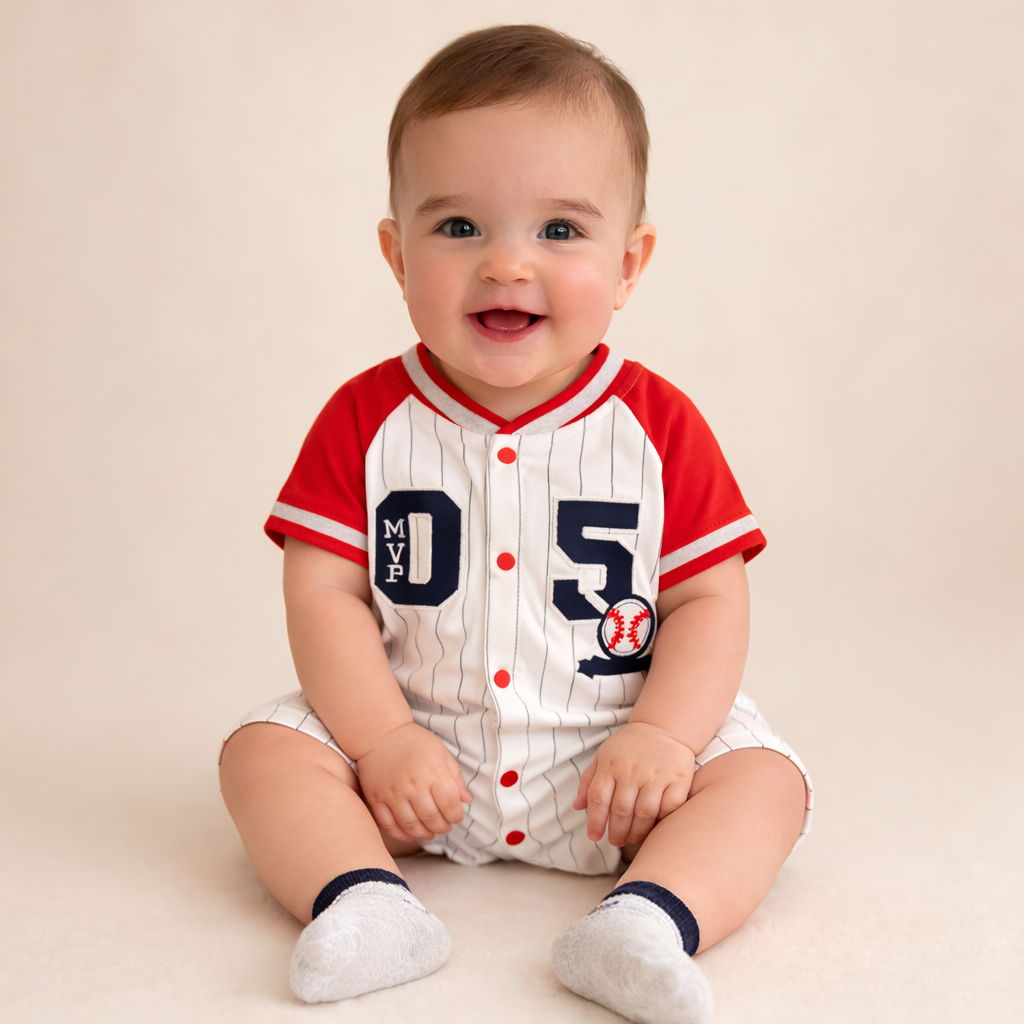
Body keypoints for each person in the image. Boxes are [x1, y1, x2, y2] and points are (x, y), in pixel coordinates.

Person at [219, 24, 812, 1024]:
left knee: (766, 781)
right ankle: (364, 899)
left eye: (559, 231)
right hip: (413, 759)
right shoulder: (365, 420)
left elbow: (710, 596)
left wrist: (665, 735)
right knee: (260, 754)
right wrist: (380, 738)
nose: (505, 263)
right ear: (395, 253)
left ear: (629, 263)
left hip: (615, 773)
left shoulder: (657, 426)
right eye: (458, 227)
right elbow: (322, 589)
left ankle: (646, 919)